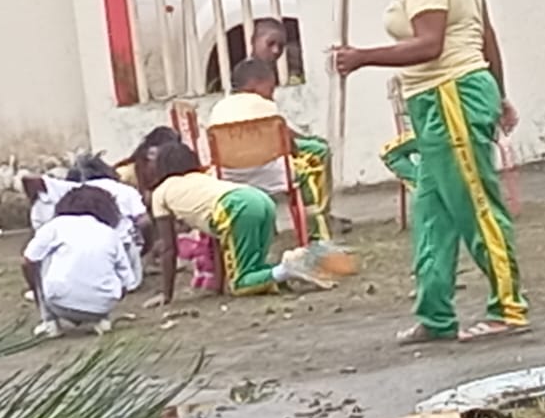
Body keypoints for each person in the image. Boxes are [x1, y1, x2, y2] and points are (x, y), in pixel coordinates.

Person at [333, 0, 529, 346]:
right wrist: (499, 93)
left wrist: (362, 57)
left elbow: (430, 44)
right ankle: (436, 314)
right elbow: (486, 36)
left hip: (450, 97)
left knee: (475, 204)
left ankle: (508, 307)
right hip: (441, 98)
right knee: (432, 213)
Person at [144, 141, 309, 302]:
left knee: (240, 284)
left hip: (235, 207)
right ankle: (290, 269)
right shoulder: (203, 178)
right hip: (260, 199)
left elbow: (169, 248)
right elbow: (217, 238)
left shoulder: (161, 193)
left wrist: (166, 295)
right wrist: (218, 286)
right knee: (254, 268)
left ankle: (289, 267)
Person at [207, 57, 333, 231]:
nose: (272, 95)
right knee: (309, 165)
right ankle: (315, 223)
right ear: (255, 84)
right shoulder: (265, 106)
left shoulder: (218, 109)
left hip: (229, 177)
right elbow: (288, 146)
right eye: (271, 88)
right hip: (271, 175)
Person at [22, 185, 135, 336]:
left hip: (59, 303)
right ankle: (102, 320)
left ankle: (49, 322)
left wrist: (36, 291)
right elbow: (127, 280)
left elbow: (27, 261)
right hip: (101, 306)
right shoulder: (110, 233)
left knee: (40, 257)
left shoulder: (55, 226)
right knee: (104, 261)